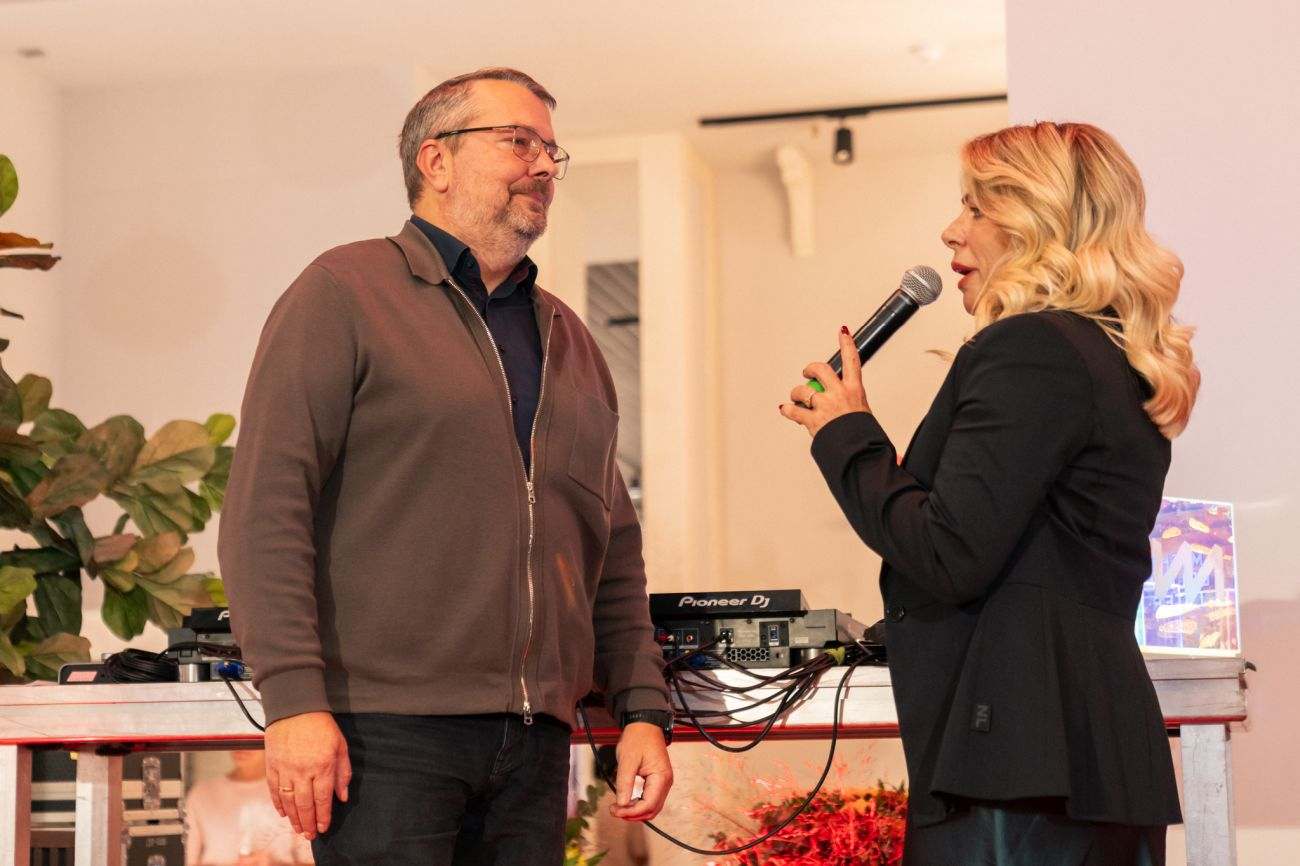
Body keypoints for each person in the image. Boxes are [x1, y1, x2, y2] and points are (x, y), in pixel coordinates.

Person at [218, 67, 673, 866]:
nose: (544, 165)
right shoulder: (343, 292)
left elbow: (612, 553)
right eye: (519, 141)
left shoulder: (571, 341)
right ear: (436, 160)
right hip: (384, 736)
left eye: (552, 151)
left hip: (535, 745)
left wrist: (641, 710)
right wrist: (292, 701)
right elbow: (266, 511)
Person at [779, 122, 1198, 865]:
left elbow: (950, 552)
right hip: (1080, 763)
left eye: (976, 208)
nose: (951, 231)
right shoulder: (1102, 354)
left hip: (1021, 764)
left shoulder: (1032, 347)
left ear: (1039, 220)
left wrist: (847, 437)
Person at [184, 750, 313, 866]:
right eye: (234, 736)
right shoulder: (202, 793)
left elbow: (313, 861)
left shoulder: (289, 792)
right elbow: (187, 861)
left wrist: (274, 864)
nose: (241, 746)